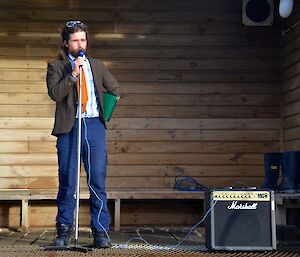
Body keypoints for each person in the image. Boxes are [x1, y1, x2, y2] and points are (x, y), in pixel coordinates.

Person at [46, 20, 121, 248]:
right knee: (68, 181)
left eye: (83, 39)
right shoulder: (56, 66)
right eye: (75, 40)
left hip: (94, 126)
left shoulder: (97, 65)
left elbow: (115, 89)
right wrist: (73, 74)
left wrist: (103, 115)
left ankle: (100, 232)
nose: (80, 44)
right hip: (70, 127)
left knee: (97, 179)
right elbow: (55, 94)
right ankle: (63, 231)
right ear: (66, 43)